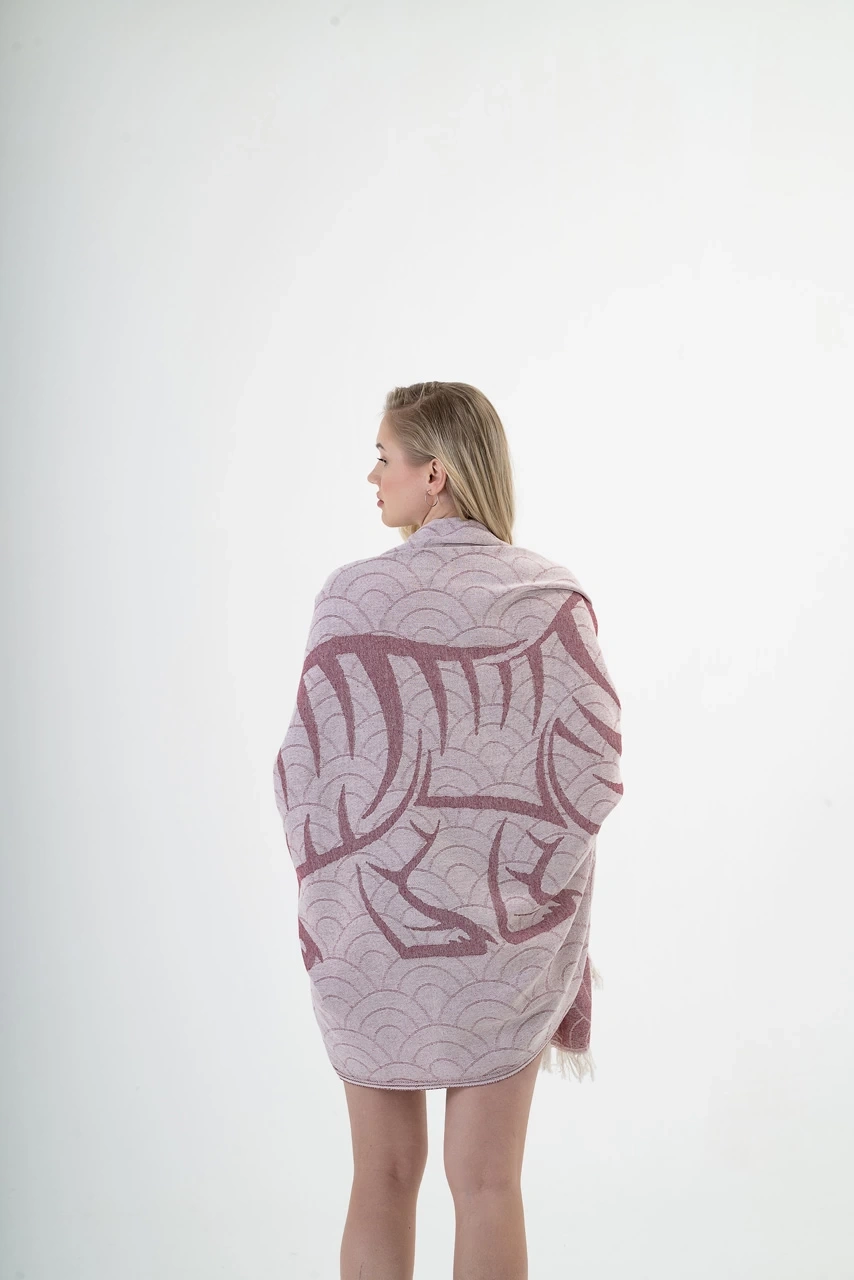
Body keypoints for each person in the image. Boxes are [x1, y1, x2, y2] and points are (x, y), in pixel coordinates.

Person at [273, 382, 624, 1279]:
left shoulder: (350, 597)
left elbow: (304, 774)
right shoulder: (552, 595)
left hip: (368, 937)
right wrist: (513, 887)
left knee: (381, 1177)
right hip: (504, 941)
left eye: (383, 457)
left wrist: (357, 892)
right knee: (489, 1184)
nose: (372, 476)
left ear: (435, 474)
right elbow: (593, 771)